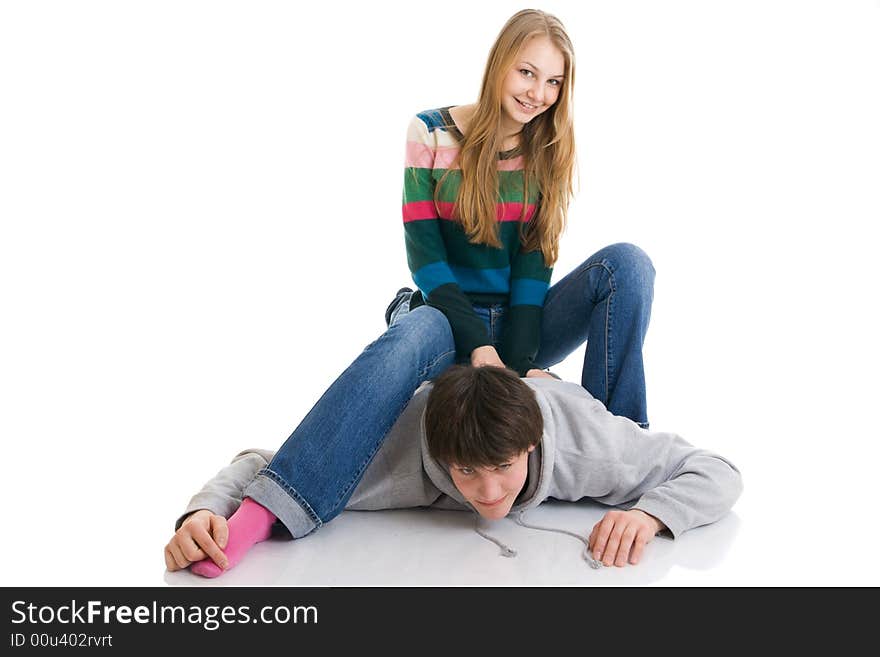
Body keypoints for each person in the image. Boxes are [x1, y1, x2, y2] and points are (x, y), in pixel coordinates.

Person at [163, 8, 658, 573]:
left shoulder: (546, 149)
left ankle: (625, 453)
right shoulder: (430, 131)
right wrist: (478, 348)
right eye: (527, 73)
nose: (538, 93)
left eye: (553, 82)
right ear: (499, 65)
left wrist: (515, 368)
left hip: (521, 325)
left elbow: (532, 273)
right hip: (446, 317)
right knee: (420, 324)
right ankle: (269, 508)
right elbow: (428, 261)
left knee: (628, 265)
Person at [165, 366, 742, 575]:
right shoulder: (395, 455)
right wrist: (204, 511)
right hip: (435, 376)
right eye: (466, 471)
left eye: (503, 467)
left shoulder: (590, 448)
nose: (489, 494)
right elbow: (265, 467)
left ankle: (533, 370)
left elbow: (717, 470)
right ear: (439, 458)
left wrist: (651, 513)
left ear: (532, 444)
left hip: (545, 390)